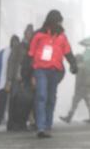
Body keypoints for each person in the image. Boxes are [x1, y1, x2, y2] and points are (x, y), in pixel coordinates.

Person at [29, 9, 77, 139]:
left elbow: (68, 52)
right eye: (58, 21)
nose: (60, 24)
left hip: (54, 71)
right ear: (52, 21)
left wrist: (73, 64)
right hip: (40, 70)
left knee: (50, 99)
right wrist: (28, 74)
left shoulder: (62, 37)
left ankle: (47, 126)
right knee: (41, 96)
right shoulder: (38, 35)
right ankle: (41, 127)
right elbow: (30, 54)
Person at [8, 24, 35, 132]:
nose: (30, 35)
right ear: (25, 33)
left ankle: (22, 123)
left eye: (31, 33)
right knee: (15, 101)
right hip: (18, 77)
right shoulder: (18, 46)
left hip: (27, 78)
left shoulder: (32, 47)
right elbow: (12, 62)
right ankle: (13, 124)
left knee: (26, 102)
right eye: (29, 33)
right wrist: (10, 79)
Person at [0, 34, 20, 132]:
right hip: (5, 82)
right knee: (1, 105)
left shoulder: (4, 52)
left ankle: (7, 125)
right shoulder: (4, 52)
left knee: (10, 105)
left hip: (10, 83)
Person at [60, 53, 90, 124]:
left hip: (80, 88)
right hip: (87, 87)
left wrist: (76, 89)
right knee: (89, 103)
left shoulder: (79, 67)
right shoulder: (85, 66)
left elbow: (78, 80)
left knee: (74, 103)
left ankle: (69, 117)